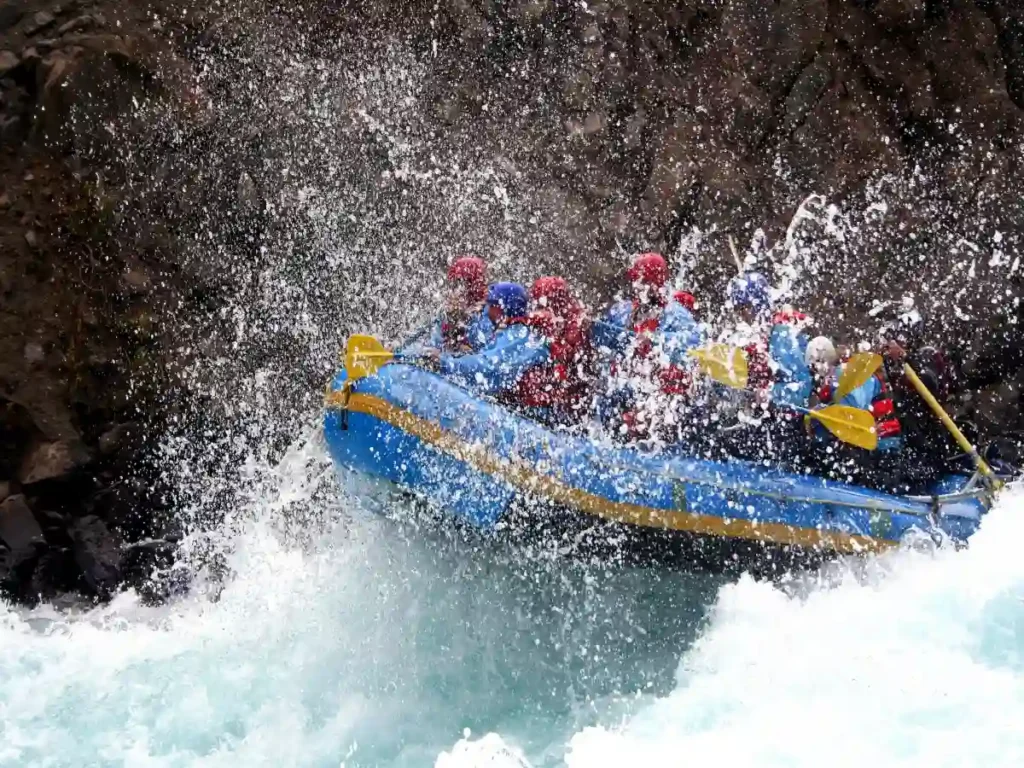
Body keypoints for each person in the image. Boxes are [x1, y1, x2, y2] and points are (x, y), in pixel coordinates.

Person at [438, 277, 595, 428]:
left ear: (502, 307)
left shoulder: (524, 335)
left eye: (491, 304)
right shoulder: (527, 330)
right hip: (540, 408)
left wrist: (443, 362)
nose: (486, 309)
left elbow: (489, 369)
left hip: (537, 416)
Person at [591, 253, 704, 444]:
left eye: (641, 281)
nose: (636, 286)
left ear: (655, 283)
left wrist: (654, 339)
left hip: (660, 396)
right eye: (635, 281)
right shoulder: (623, 311)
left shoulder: (676, 315)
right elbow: (600, 337)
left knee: (668, 383)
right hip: (627, 390)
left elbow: (693, 347)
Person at [710, 271, 814, 467]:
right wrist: (717, 379)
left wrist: (771, 394)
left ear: (759, 305)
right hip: (757, 421)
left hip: (783, 429)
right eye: (738, 309)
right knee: (716, 441)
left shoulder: (781, 335)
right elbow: (736, 387)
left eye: (745, 307)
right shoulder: (747, 338)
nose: (742, 314)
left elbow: (802, 386)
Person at [427, 255, 495, 355]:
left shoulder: (485, 317)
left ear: (472, 288)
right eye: (452, 285)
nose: (450, 292)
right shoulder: (445, 315)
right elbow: (432, 342)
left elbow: (484, 357)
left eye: (458, 285)